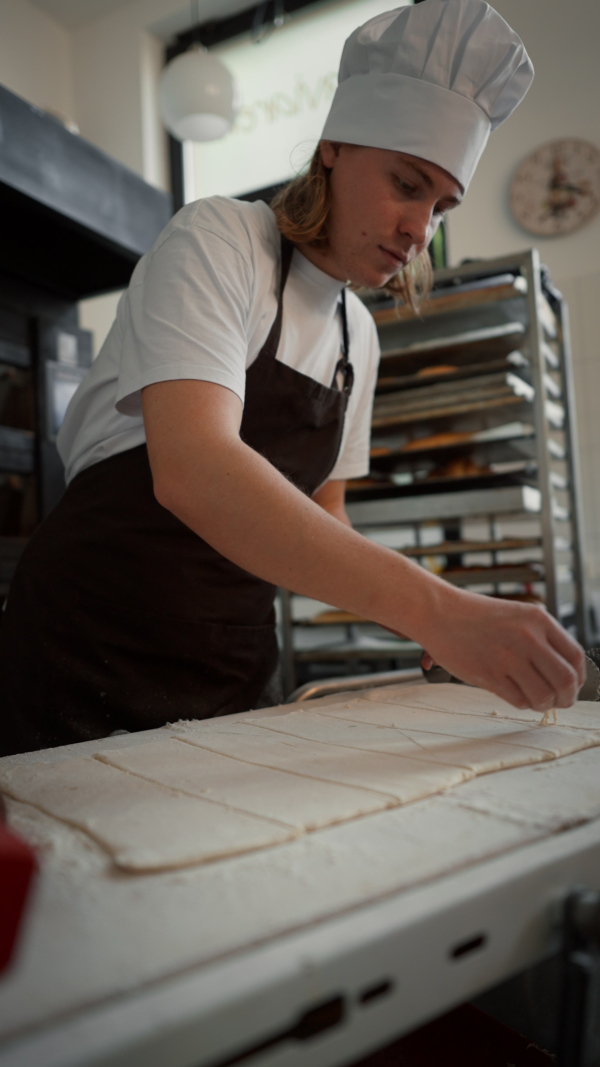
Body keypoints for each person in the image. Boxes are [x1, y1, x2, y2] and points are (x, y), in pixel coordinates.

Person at [0, 0, 585, 756]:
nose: (420, 231)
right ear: (334, 147)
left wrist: (445, 623)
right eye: (407, 184)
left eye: (441, 206)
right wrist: (436, 608)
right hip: (84, 646)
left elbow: (324, 516)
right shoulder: (219, 241)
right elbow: (195, 469)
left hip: (228, 666)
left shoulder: (359, 338)